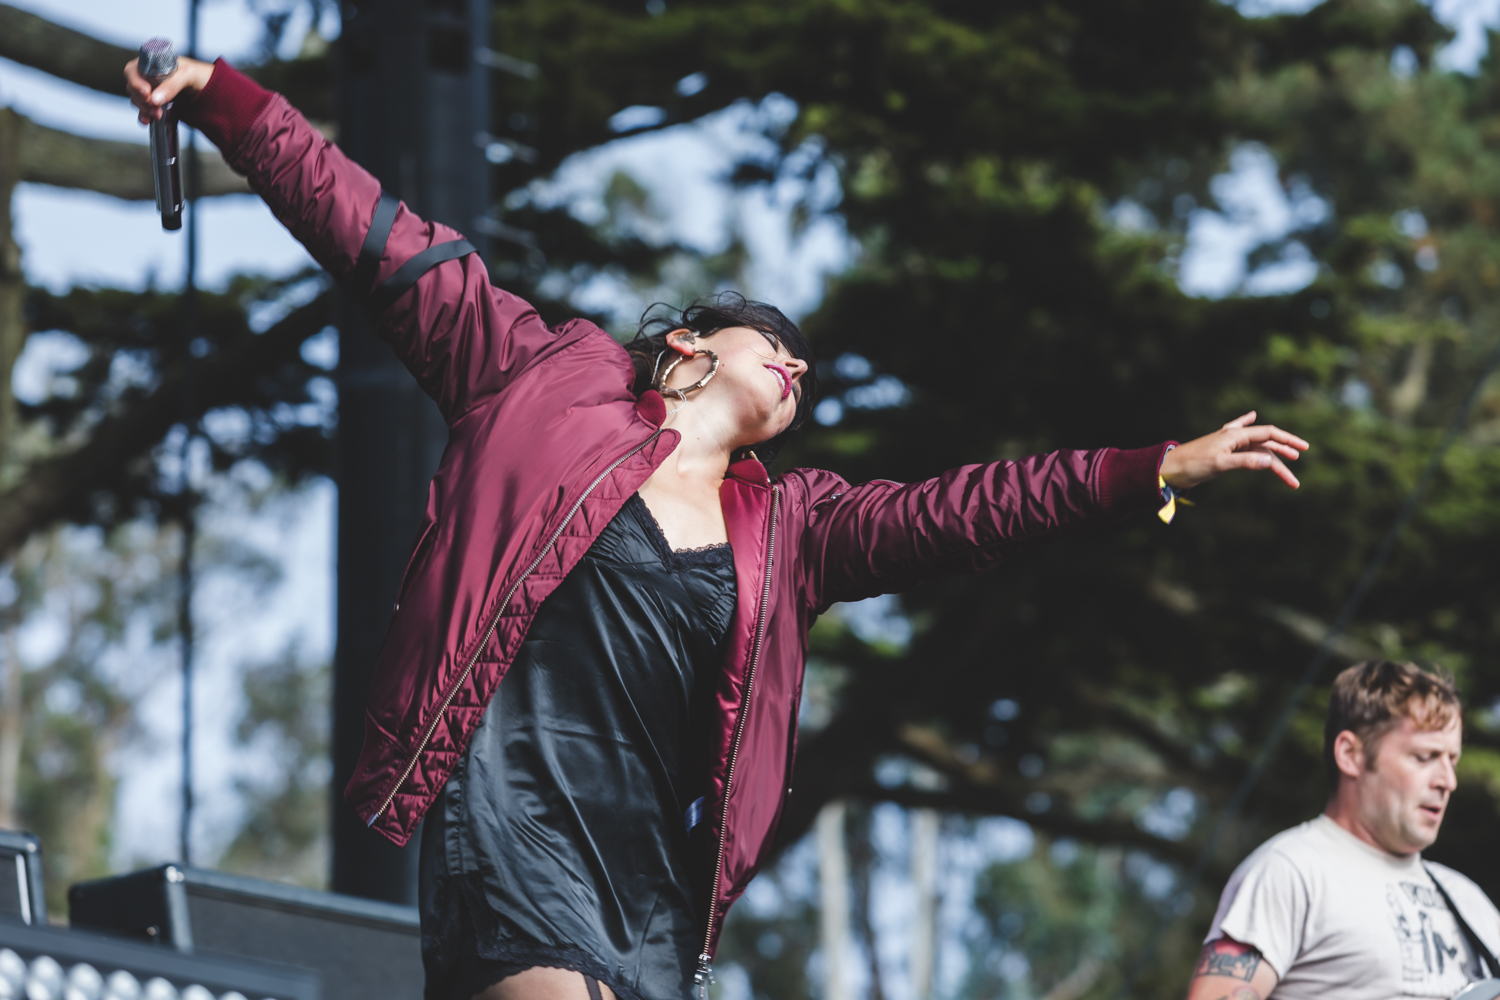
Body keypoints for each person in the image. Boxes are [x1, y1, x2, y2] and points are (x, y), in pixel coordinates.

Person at [126, 55, 1309, 1000]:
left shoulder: (792, 527)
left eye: (805, 360)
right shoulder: (543, 380)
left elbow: (968, 510)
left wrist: (1155, 467)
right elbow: (381, 238)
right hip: (509, 811)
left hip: (649, 880)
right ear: (689, 347)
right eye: (772, 341)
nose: (796, 362)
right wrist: (230, 101)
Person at [1187, 661, 1500, 1000]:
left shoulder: (1468, 900)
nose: (1447, 781)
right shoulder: (1291, 871)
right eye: (1425, 757)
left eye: (1452, 760)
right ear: (1351, 754)